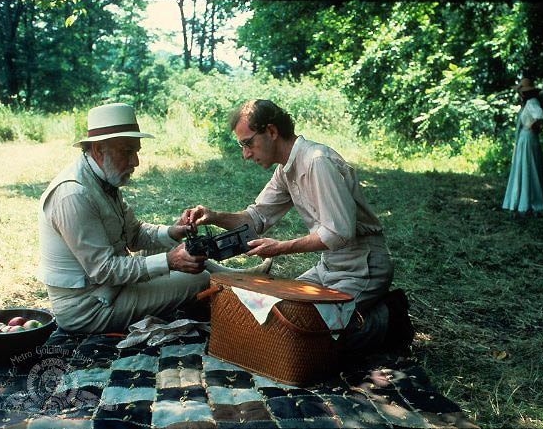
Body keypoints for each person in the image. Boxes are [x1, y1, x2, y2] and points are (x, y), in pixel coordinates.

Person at [182, 99, 414, 352]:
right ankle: (358, 312)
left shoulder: (317, 161)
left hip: (362, 267)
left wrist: (280, 248)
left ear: (271, 131)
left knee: (303, 340)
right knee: (277, 316)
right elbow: (256, 218)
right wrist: (213, 216)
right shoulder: (286, 169)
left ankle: (387, 318)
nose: (245, 154)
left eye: (248, 143)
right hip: (329, 266)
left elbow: (339, 233)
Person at [38, 103, 270, 333]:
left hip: (108, 290)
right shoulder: (73, 194)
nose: (135, 162)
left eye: (136, 151)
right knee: (197, 279)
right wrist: (169, 261)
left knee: (185, 250)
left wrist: (173, 232)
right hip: (89, 308)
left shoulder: (100, 178)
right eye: (127, 151)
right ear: (99, 150)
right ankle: (236, 284)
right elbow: (104, 270)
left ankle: (236, 278)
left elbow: (135, 234)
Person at [502, 77, 543, 214]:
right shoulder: (526, 103)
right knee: (523, 166)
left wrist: (531, 125)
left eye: (520, 91)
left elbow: (540, 115)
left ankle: (531, 200)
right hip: (524, 139)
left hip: (528, 138)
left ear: (524, 92)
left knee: (529, 166)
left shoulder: (532, 102)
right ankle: (522, 199)